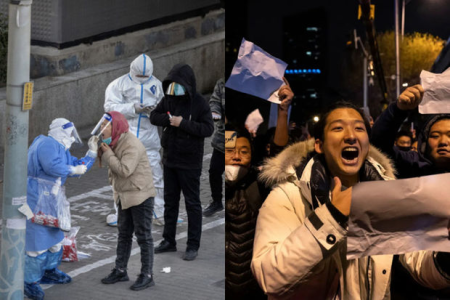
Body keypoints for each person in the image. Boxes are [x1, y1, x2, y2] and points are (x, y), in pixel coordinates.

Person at [252, 102, 450, 299]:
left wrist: (445, 256)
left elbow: (419, 263)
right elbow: (269, 278)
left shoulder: (387, 195)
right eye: (338, 128)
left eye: (359, 128)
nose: (351, 136)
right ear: (319, 145)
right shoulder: (288, 196)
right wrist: (332, 217)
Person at [371, 84, 450, 298]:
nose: (443, 142)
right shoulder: (412, 166)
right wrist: (398, 110)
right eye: (435, 136)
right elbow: (377, 145)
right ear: (424, 142)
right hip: (414, 283)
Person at [225, 84, 294, 299]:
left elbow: (279, 156)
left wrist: (283, 112)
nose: (236, 156)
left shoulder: (260, 183)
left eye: (243, 151)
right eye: (229, 151)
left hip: (254, 287)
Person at [25, 118, 97, 300]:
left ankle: (49, 271)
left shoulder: (61, 148)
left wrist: (91, 154)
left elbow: (77, 166)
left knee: (55, 238)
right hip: (36, 197)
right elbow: (53, 167)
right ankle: (29, 281)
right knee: (37, 243)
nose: (72, 138)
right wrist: (74, 170)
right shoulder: (46, 143)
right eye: (69, 133)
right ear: (60, 131)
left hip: (53, 198)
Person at [150, 63, 214, 261]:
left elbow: (207, 129)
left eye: (178, 86)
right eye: (172, 86)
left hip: (190, 163)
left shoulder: (199, 103)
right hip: (170, 160)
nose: (174, 91)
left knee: (192, 204)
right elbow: (154, 116)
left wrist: (183, 123)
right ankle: (169, 240)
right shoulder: (169, 99)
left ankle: (192, 245)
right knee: (170, 203)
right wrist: (169, 120)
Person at [104, 53, 165, 226]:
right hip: (125, 140)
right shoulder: (118, 85)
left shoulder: (158, 85)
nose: (142, 80)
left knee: (155, 175)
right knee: (122, 178)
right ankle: (121, 214)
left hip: (149, 140)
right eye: (139, 76)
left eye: (146, 77)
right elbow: (109, 108)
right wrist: (133, 108)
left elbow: (166, 107)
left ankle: (158, 212)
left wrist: (155, 111)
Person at [98, 111, 156, 291]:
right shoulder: (114, 141)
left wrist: (107, 155)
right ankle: (120, 270)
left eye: (104, 127)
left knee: (143, 236)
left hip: (140, 195)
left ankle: (147, 275)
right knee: (124, 234)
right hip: (124, 195)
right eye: (101, 126)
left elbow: (124, 170)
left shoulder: (132, 145)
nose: (101, 130)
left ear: (115, 127)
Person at [203, 77, 226, 217]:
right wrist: (215, 113)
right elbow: (214, 101)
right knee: (214, 171)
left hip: (238, 136)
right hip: (222, 137)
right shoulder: (221, 83)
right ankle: (217, 201)